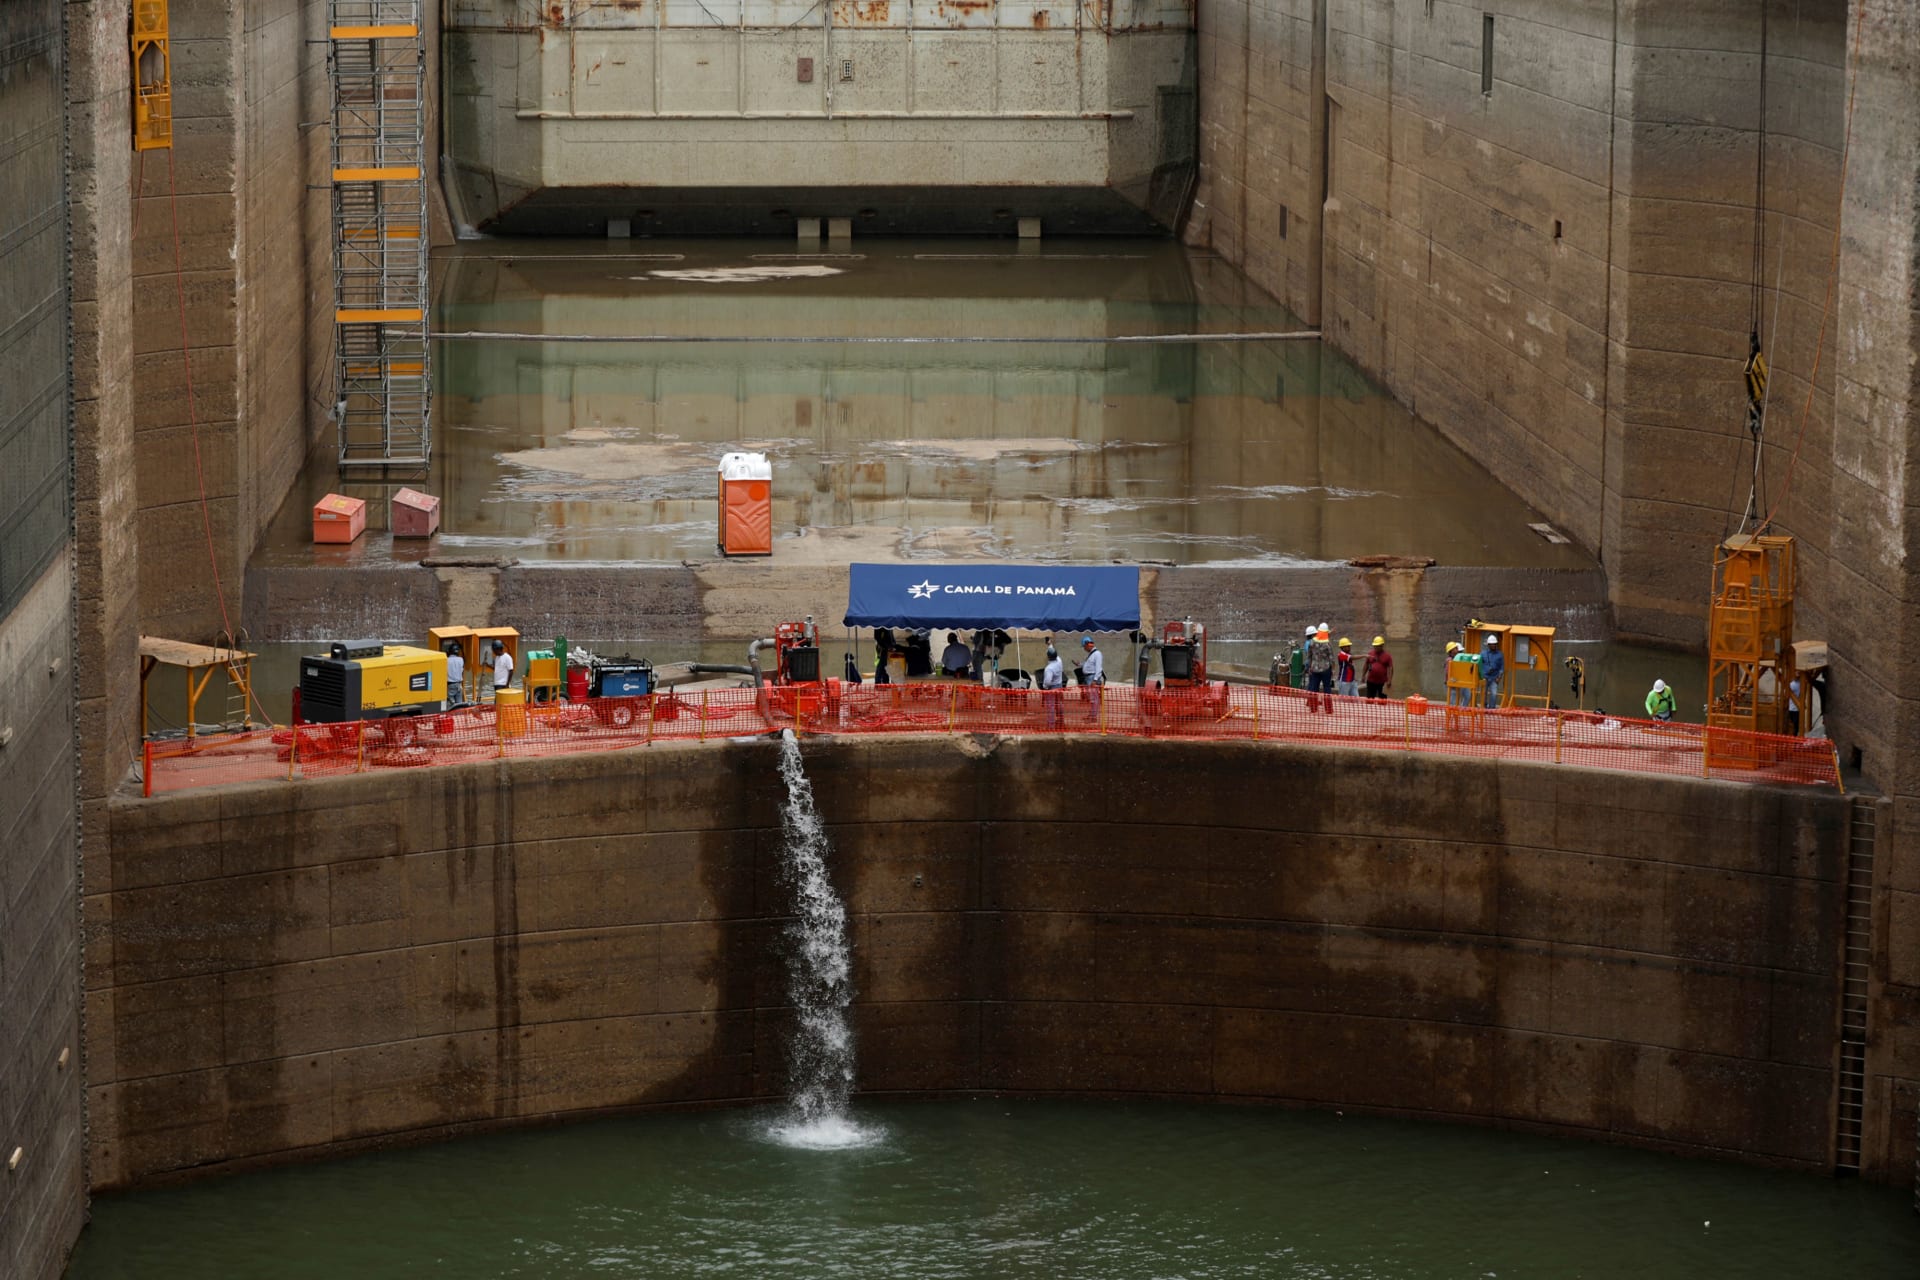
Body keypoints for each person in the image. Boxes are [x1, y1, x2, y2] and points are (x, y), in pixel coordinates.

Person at [1304, 624, 1336, 714]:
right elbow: (1331, 658)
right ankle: (1328, 709)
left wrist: (1309, 666)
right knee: (1327, 689)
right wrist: (1333, 670)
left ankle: (1313, 708)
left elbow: (1309, 656)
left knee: (1314, 689)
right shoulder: (1327, 644)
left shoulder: (1312, 643)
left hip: (1314, 668)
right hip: (1326, 669)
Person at [1080, 635, 1105, 721]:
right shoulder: (1091, 654)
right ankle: (1091, 715)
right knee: (1091, 698)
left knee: (1094, 699)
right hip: (1089, 678)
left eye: (1084, 647)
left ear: (1087, 645)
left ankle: (1093, 717)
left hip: (1092, 678)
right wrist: (1080, 664)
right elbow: (1089, 664)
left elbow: (1098, 668)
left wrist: (1095, 680)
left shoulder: (1097, 654)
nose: (1084, 649)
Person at [1041, 645, 1066, 729]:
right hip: (1059, 686)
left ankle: (1051, 725)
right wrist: (1049, 645)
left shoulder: (1049, 668)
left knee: (1051, 706)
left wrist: (1044, 687)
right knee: (1059, 704)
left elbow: (1047, 681)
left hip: (1051, 688)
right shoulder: (1059, 661)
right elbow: (1056, 655)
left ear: (1048, 657)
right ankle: (1061, 720)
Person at [1479, 633, 1504, 708]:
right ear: (1488, 645)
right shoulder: (1483, 654)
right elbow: (1478, 665)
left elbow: (1501, 667)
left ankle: (1491, 709)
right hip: (1485, 677)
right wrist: (1480, 676)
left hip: (1494, 678)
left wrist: (1499, 678)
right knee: (1483, 693)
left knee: (1494, 694)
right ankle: (1483, 707)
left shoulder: (1500, 655)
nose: (1494, 645)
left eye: (1495, 644)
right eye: (1492, 644)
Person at [444, 642, 466, 706]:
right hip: (459, 685)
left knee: (448, 704)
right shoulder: (461, 659)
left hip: (450, 685)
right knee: (459, 705)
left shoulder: (446, 660)